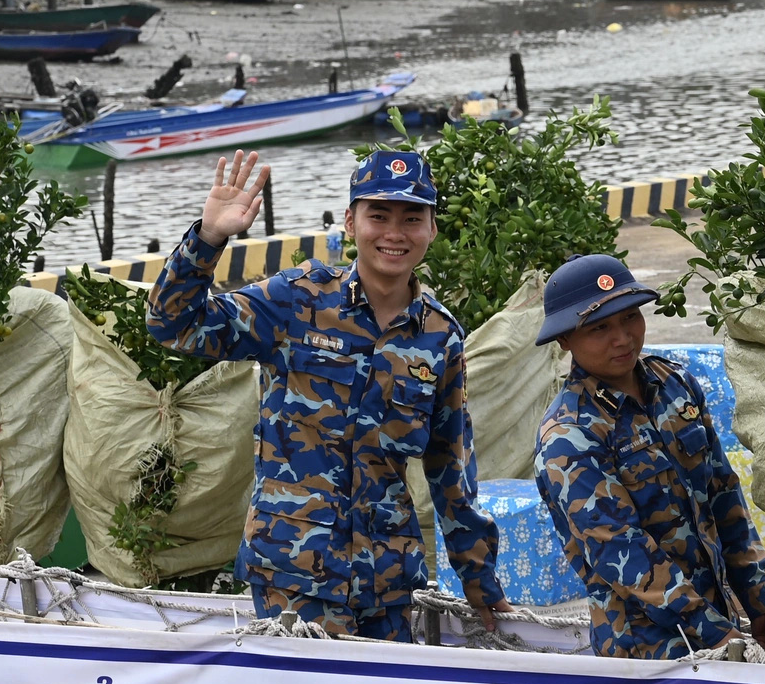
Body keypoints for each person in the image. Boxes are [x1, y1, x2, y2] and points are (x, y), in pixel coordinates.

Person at [146, 149, 507, 641]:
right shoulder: (297, 300)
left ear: (432, 229)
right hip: (294, 578)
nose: (394, 233)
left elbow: (451, 470)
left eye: (412, 218)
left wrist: (479, 580)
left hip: (388, 586)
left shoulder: (439, 337)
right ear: (351, 221)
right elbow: (174, 325)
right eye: (378, 216)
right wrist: (209, 238)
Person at [531, 255, 765, 659]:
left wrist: (760, 604)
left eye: (629, 317)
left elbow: (724, 496)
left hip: (720, 626)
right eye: (599, 328)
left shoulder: (675, 385)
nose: (622, 338)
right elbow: (622, 551)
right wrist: (712, 631)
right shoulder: (569, 435)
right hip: (648, 649)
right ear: (565, 339)